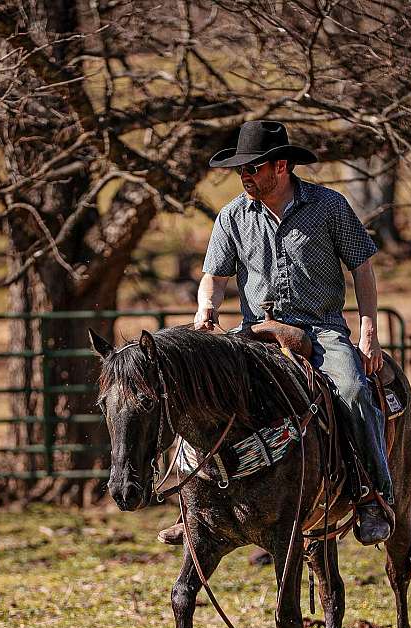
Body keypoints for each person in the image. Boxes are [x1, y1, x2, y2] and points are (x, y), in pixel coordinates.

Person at [160, 120, 393, 546]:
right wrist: (206, 309)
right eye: (241, 170)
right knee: (196, 387)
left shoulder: (329, 206)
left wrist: (368, 330)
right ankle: (190, 503)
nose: (245, 176)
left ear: (280, 166)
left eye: (253, 168)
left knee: (354, 391)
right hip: (254, 333)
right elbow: (213, 274)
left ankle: (372, 495)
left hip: (320, 330)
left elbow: (362, 267)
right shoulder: (232, 214)